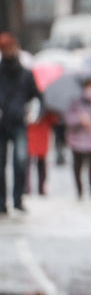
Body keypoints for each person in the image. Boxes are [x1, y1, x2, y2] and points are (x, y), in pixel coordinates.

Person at [0, 33, 41, 214]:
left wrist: (32, 112)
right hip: (2, 123)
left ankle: (17, 199)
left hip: (18, 122)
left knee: (20, 162)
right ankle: (2, 202)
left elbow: (37, 96)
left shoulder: (25, 74)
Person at [26, 112, 58, 196]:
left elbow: (54, 119)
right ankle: (37, 188)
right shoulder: (47, 107)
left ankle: (30, 187)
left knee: (35, 165)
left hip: (36, 137)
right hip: (34, 137)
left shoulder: (47, 108)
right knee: (37, 166)